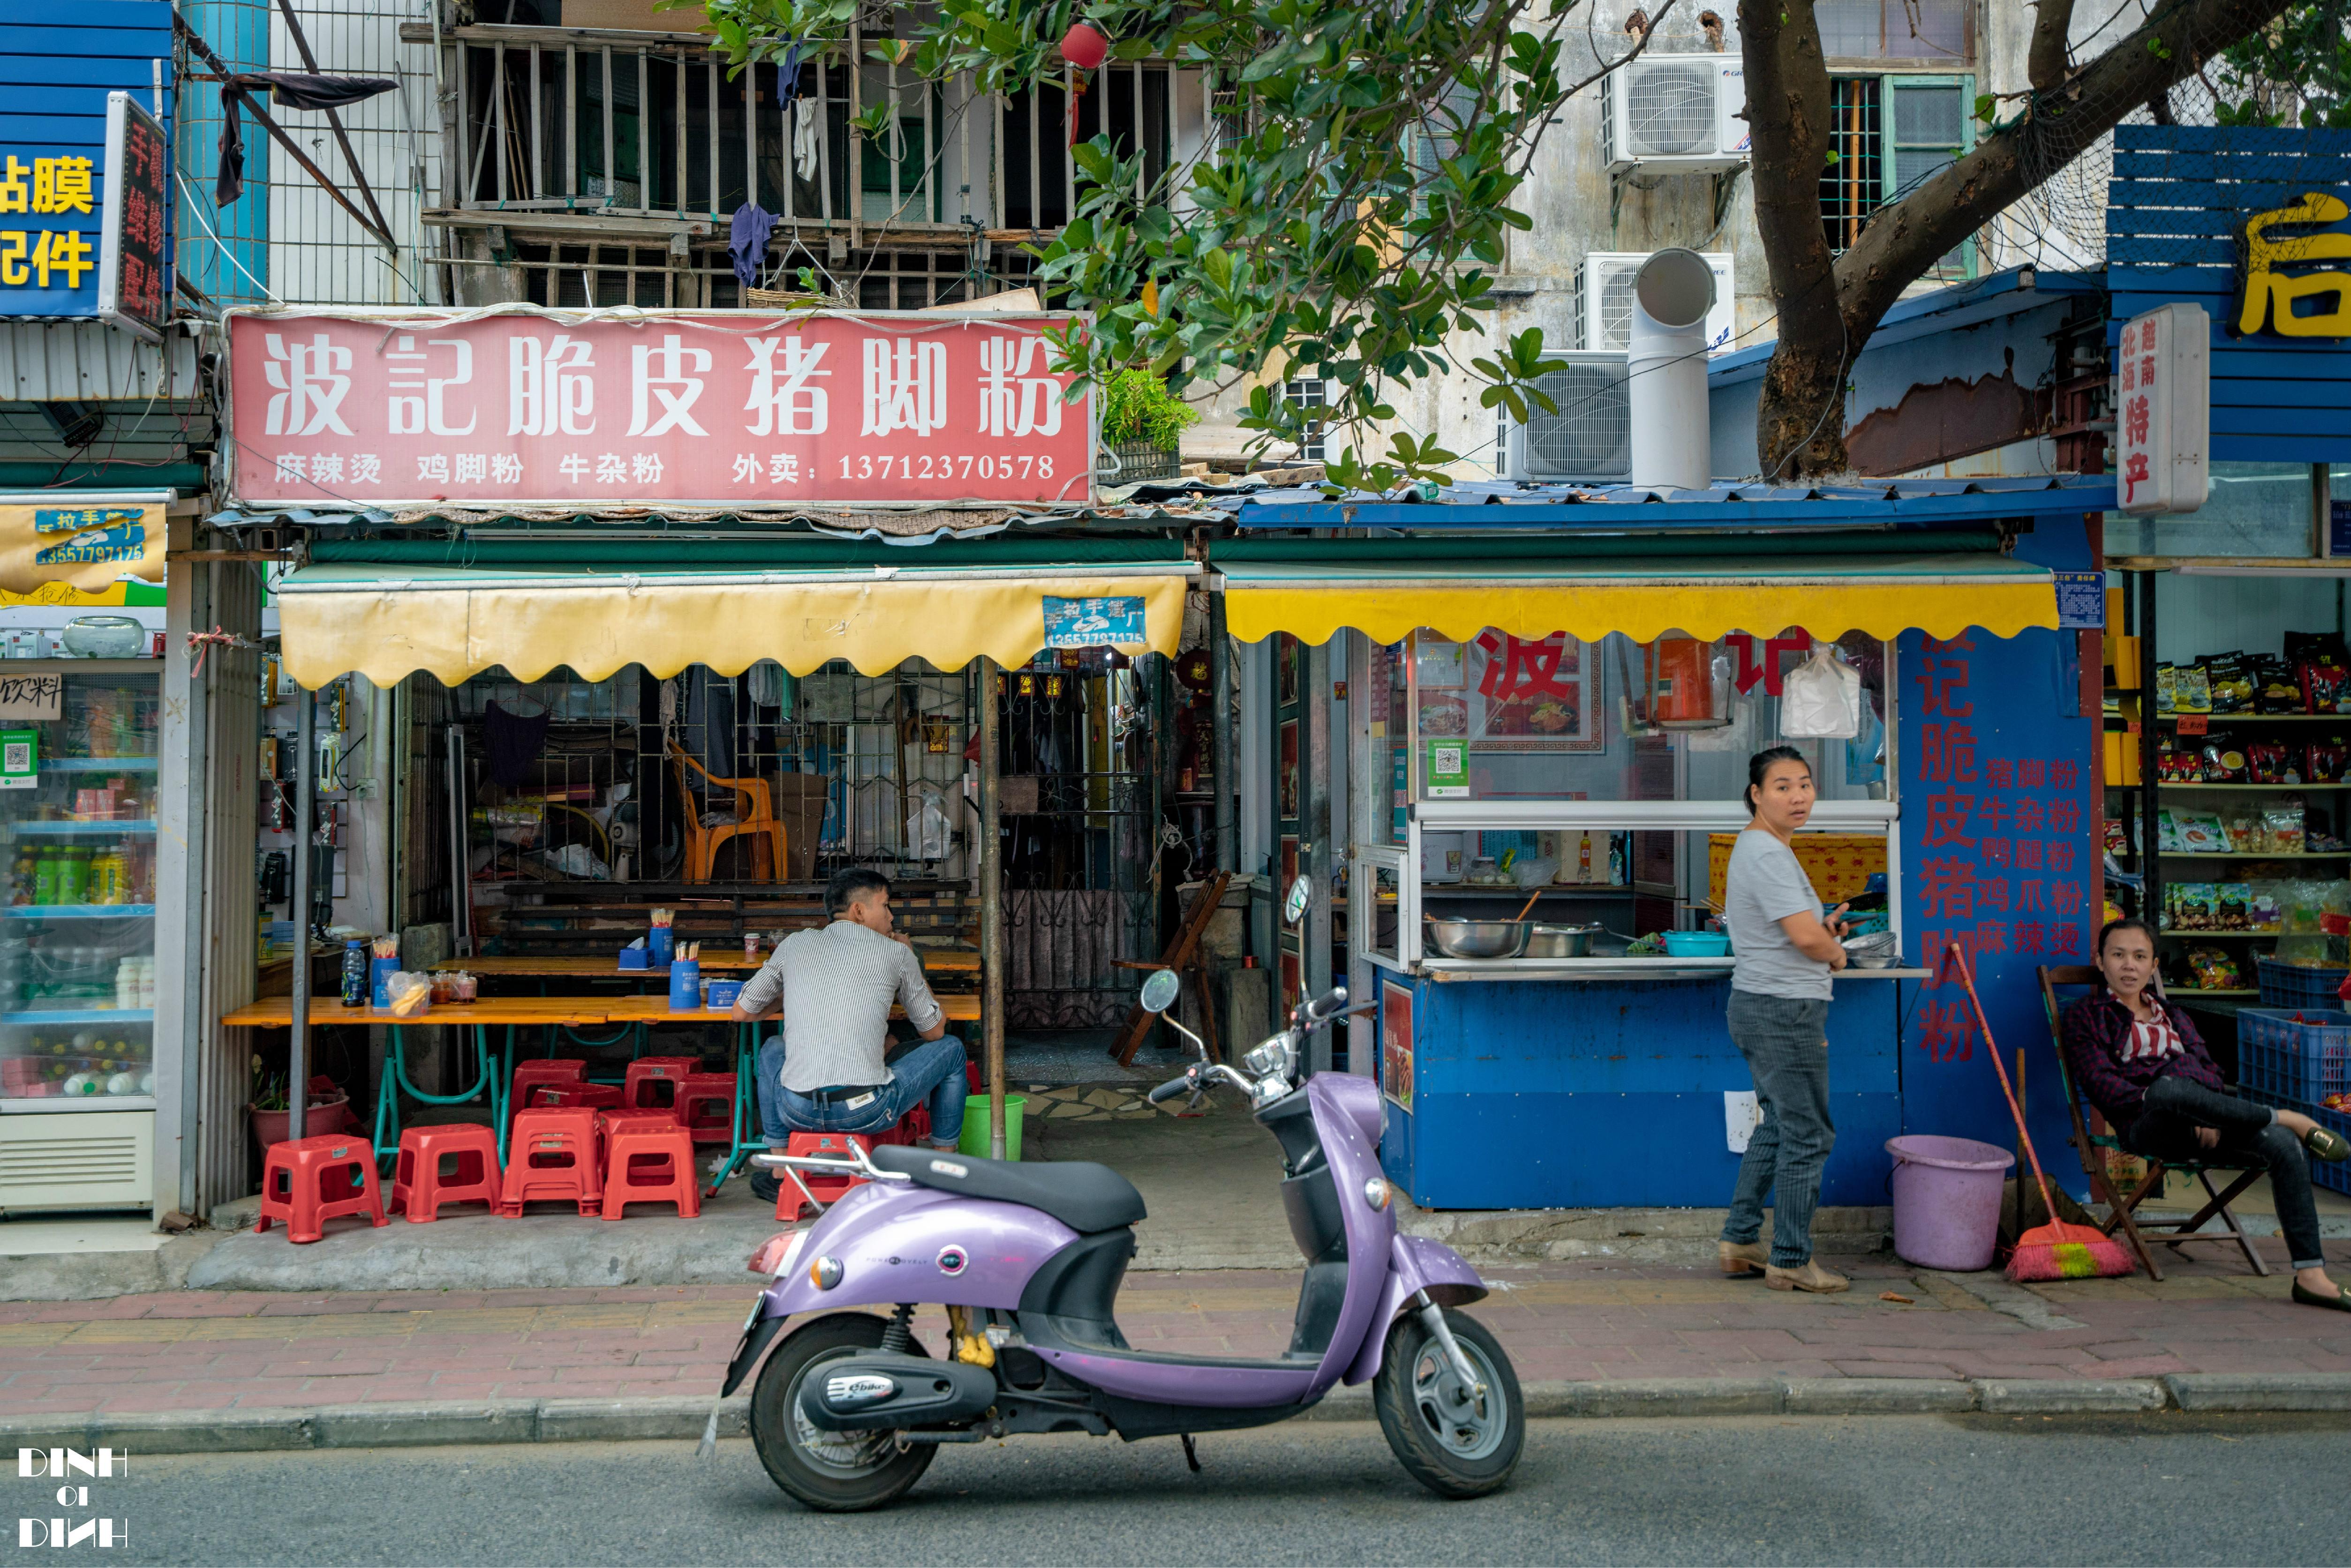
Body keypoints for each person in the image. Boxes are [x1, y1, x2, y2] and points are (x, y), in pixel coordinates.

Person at [2062, 916, 2351, 1308]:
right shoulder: (2086, 1016)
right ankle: (2288, 1116)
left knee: (2283, 1146)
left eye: (2139, 956)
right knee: (2168, 1089)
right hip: (2147, 1124)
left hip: (2207, 1123)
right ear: (2100, 961)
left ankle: (2311, 1276)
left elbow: (2212, 1073)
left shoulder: (2175, 1015)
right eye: (2118, 955)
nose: (2129, 965)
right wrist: (2177, 1097)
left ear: (2154, 966)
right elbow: (2104, 1086)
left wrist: (2202, 1111)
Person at [732, 867, 968, 1202]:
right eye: (885, 906)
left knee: (773, 1046)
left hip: (795, 1109)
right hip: (866, 1111)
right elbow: (934, 1031)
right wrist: (911, 956)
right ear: (859, 911)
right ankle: (945, 1171)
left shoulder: (794, 945)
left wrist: (788, 997)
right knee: (954, 1048)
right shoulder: (896, 952)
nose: (891, 916)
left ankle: (780, 1172)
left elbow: (742, 1012)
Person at [1718, 745, 1854, 1294]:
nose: (1798, 796)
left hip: (1762, 1004)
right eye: (1782, 786)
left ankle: (1740, 1240)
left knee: (1777, 1125)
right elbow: (1802, 938)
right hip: (1783, 1011)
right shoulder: (1767, 854)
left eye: (1804, 784)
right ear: (1756, 794)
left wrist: (1824, 933)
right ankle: (1792, 1258)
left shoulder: (1766, 848)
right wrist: (1834, 951)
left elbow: (1799, 930)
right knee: (1808, 1134)